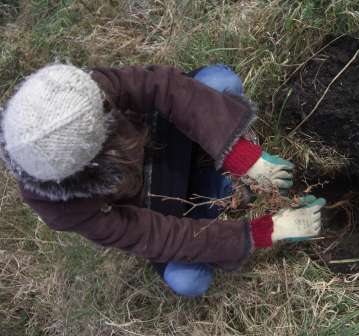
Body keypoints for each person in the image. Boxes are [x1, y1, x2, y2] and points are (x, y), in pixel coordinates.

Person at [0, 63, 325, 297]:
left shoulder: (72, 95)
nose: (104, 98)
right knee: (188, 280)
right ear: (91, 161)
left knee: (218, 81)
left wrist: (241, 156)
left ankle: (223, 163)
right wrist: (267, 231)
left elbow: (165, 89)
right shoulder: (62, 206)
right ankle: (222, 188)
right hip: (162, 208)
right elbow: (157, 235)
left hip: (166, 144)